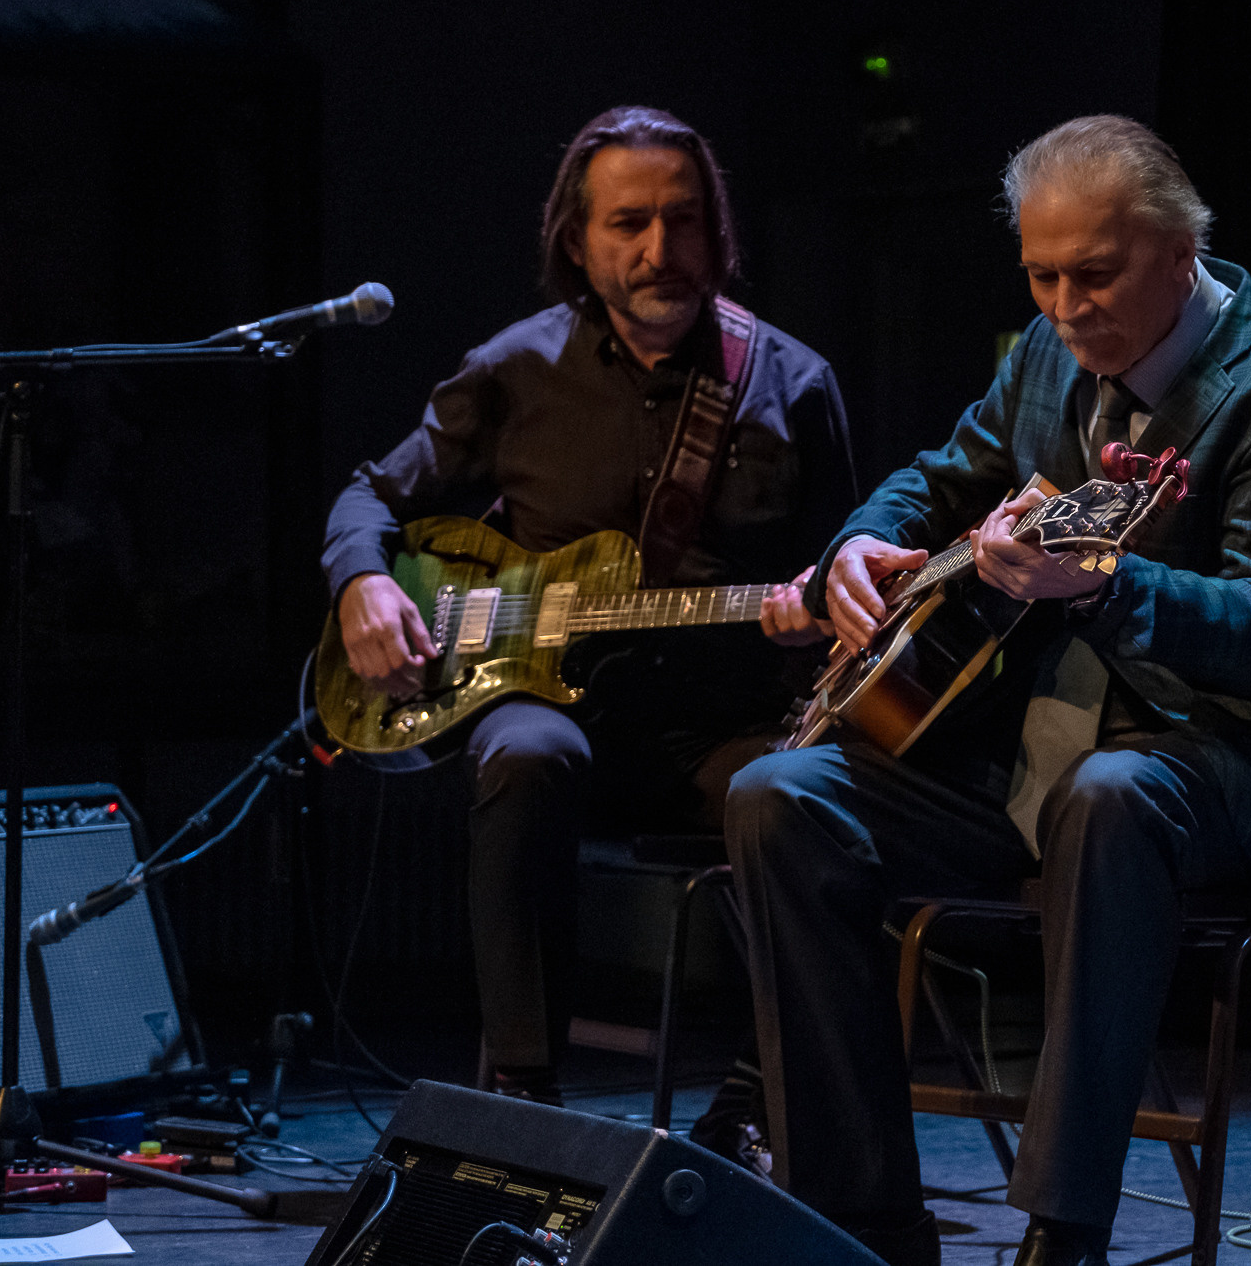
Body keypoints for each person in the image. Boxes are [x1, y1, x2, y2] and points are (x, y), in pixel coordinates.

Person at [721, 114, 1251, 1266]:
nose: (1065, 307)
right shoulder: (1041, 358)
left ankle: (1066, 1231)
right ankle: (858, 1222)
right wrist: (860, 545)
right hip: (1027, 764)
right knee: (782, 794)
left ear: (1181, 252)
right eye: (1041, 274)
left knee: (1111, 797)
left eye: (1094, 276)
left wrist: (1107, 589)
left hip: (1215, 768)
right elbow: (935, 476)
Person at [321, 104, 855, 1105]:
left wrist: (820, 620)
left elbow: (843, 569)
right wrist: (363, 579)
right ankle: (527, 1093)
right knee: (527, 754)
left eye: (685, 219)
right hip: (551, 705)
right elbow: (370, 491)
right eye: (630, 223)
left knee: (808, 798)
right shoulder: (514, 367)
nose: (662, 248)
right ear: (577, 238)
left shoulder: (796, 382)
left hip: (719, 724)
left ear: (717, 230)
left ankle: (754, 1096)